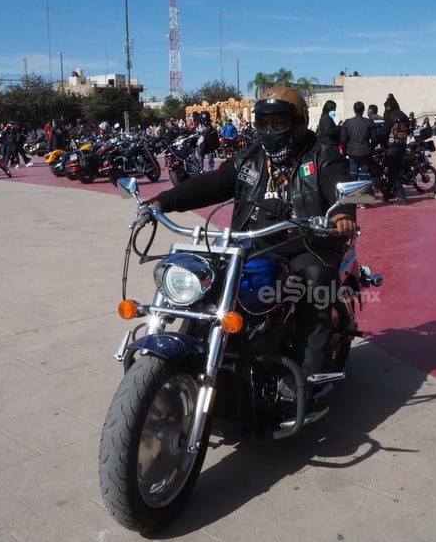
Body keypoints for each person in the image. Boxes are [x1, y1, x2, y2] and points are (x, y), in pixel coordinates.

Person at [146, 86, 357, 410]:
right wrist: (162, 201)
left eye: (278, 122)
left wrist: (342, 212)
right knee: (207, 282)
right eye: (264, 122)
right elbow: (212, 183)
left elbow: (337, 182)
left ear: (298, 123)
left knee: (315, 285)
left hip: (307, 246)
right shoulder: (251, 159)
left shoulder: (321, 154)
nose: (270, 131)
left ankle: (303, 380)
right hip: (252, 244)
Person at [377, 94, 410, 204]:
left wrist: (381, 143)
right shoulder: (404, 116)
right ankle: (386, 196)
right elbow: (408, 131)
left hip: (392, 147)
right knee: (392, 172)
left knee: (393, 173)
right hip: (402, 145)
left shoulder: (390, 116)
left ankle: (402, 197)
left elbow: (384, 132)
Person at [340, 101, 375, 187]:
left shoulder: (348, 122)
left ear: (354, 110)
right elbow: (374, 137)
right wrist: (371, 147)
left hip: (352, 150)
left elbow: (343, 138)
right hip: (365, 150)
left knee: (353, 171)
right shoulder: (369, 122)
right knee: (365, 172)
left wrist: (344, 150)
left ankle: (353, 191)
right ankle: (365, 191)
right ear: (363, 110)